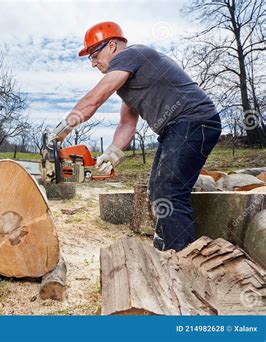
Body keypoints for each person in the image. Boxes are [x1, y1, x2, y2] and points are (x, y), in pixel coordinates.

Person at [49, 21, 222, 252]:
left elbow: (95, 99)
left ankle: (181, 257)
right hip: (176, 128)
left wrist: (60, 132)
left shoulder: (131, 54)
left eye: (94, 55)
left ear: (112, 46)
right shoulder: (130, 80)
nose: (92, 63)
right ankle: (166, 247)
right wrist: (112, 153)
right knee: (156, 190)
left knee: (169, 192)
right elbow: (127, 123)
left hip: (193, 121)